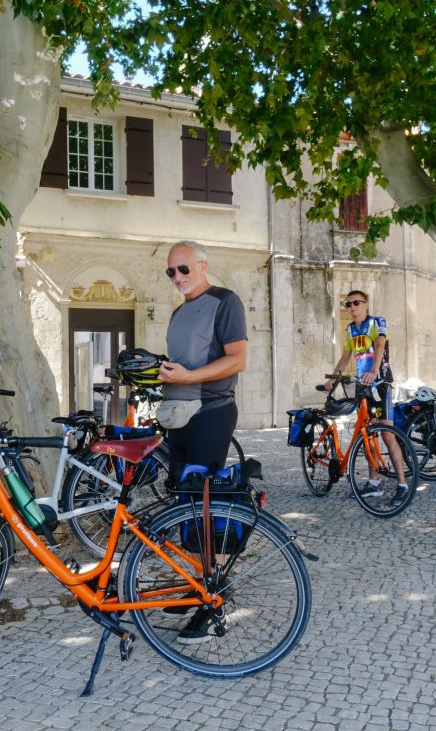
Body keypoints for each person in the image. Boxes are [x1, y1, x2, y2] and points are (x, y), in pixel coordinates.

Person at [158, 240, 247, 643]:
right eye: (171, 272)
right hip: (178, 415)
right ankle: (196, 585)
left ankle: (214, 600)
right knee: (185, 505)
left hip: (211, 412)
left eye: (184, 269)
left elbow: (237, 359)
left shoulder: (225, 301)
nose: (177, 277)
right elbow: (183, 364)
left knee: (206, 505)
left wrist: (189, 378)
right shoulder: (178, 312)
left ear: (203, 265)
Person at [324, 289, 407, 503]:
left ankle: (402, 483)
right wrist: (334, 378)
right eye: (348, 304)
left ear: (366, 304)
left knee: (387, 433)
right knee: (367, 433)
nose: (352, 307)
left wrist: (374, 371)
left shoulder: (377, 322)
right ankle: (374, 483)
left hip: (380, 384)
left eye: (356, 303)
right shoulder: (350, 329)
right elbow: (345, 357)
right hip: (362, 387)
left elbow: (380, 345)